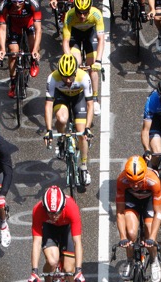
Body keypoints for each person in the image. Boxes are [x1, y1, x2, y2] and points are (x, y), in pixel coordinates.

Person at [28, 186, 85, 282]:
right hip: (49, 229)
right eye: (49, 212)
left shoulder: (71, 207)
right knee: (52, 261)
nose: (53, 216)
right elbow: (36, 243)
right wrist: (34, 271)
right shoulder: (38, 210)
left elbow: (77, 242)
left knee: (69, 268)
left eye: (57, 213)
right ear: (44, 207)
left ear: (63, 207)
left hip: (67, 229)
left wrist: (79, 270)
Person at [43, 54, 93, 186]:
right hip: (62, 97)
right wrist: (48, 130)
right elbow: (48, 105)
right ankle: (61, 141)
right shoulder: (53, 78)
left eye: (71, 76)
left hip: (79, 98)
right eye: (64, 77)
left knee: (81, 133)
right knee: (62, 118)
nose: (68, 80)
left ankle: (83, 166)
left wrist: (87, 128)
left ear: (76, 71)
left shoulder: (83, 77)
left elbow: (90, 104)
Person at [115, 156, 161, 282]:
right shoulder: (121, 180)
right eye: (131, 182)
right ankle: (129, 260)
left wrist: (152, 238)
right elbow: (119, 212)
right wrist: (122, 237)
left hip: (149, 201)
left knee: (148, 231)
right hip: (132, 201)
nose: (135, 185)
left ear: (145, 176)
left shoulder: (154, 181)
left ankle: (154, 259)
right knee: (131, 233)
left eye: (139, 182)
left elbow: (158, 213)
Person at [61, 0, 105, 115]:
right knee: (76, 62)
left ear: (89, 9)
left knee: (93, 67)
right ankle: (77, 92)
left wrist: (99, 61)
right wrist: (69, 59)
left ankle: (95, 98)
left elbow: (101, 40)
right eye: (79, 12)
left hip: (90, 35)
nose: (82, 16)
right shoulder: (69, 16)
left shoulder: (96, 14)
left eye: (85, 13)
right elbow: (65, 41)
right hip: (75, 36)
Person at [0, 0, 42, 99]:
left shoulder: (33, 4)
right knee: (13, 53)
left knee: (33, 45)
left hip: (30, 25)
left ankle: (33, 60)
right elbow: (2, 29)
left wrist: (35, 50)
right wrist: (2, 49)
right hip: (14, 27)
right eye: (15, 2)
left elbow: (38, 29)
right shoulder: (5, 5)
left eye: (20, 2)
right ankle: (13, 84)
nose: (17, 4)